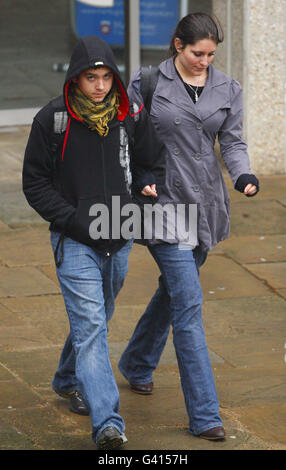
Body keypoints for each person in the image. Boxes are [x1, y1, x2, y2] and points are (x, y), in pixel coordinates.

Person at [118, 12, 259, 441]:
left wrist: (243, 175)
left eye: (212, 54)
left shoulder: (227, 88)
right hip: (163, 205)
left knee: (174, 292)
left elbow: (232, 141)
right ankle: (205, 414)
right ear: (178, 45)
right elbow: (122, 136)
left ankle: (136, 362)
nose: (205, 61)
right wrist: (137, 181)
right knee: (189, 307)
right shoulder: (146, 83)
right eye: (198, 53)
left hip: (207, 207)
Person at [22, 35, 164, 450]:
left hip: (118, 238)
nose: (99, 86)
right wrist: (74, 220)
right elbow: (34, 183)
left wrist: (144, 194)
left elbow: (150, 162)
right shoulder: (53, 120)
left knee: (97, 319)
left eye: (105, 77)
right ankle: (108, 422)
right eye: (90, 78)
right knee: (91, 329)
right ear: (75, 79)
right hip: (75, 242)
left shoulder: (129, 114)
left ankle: (68, 377)